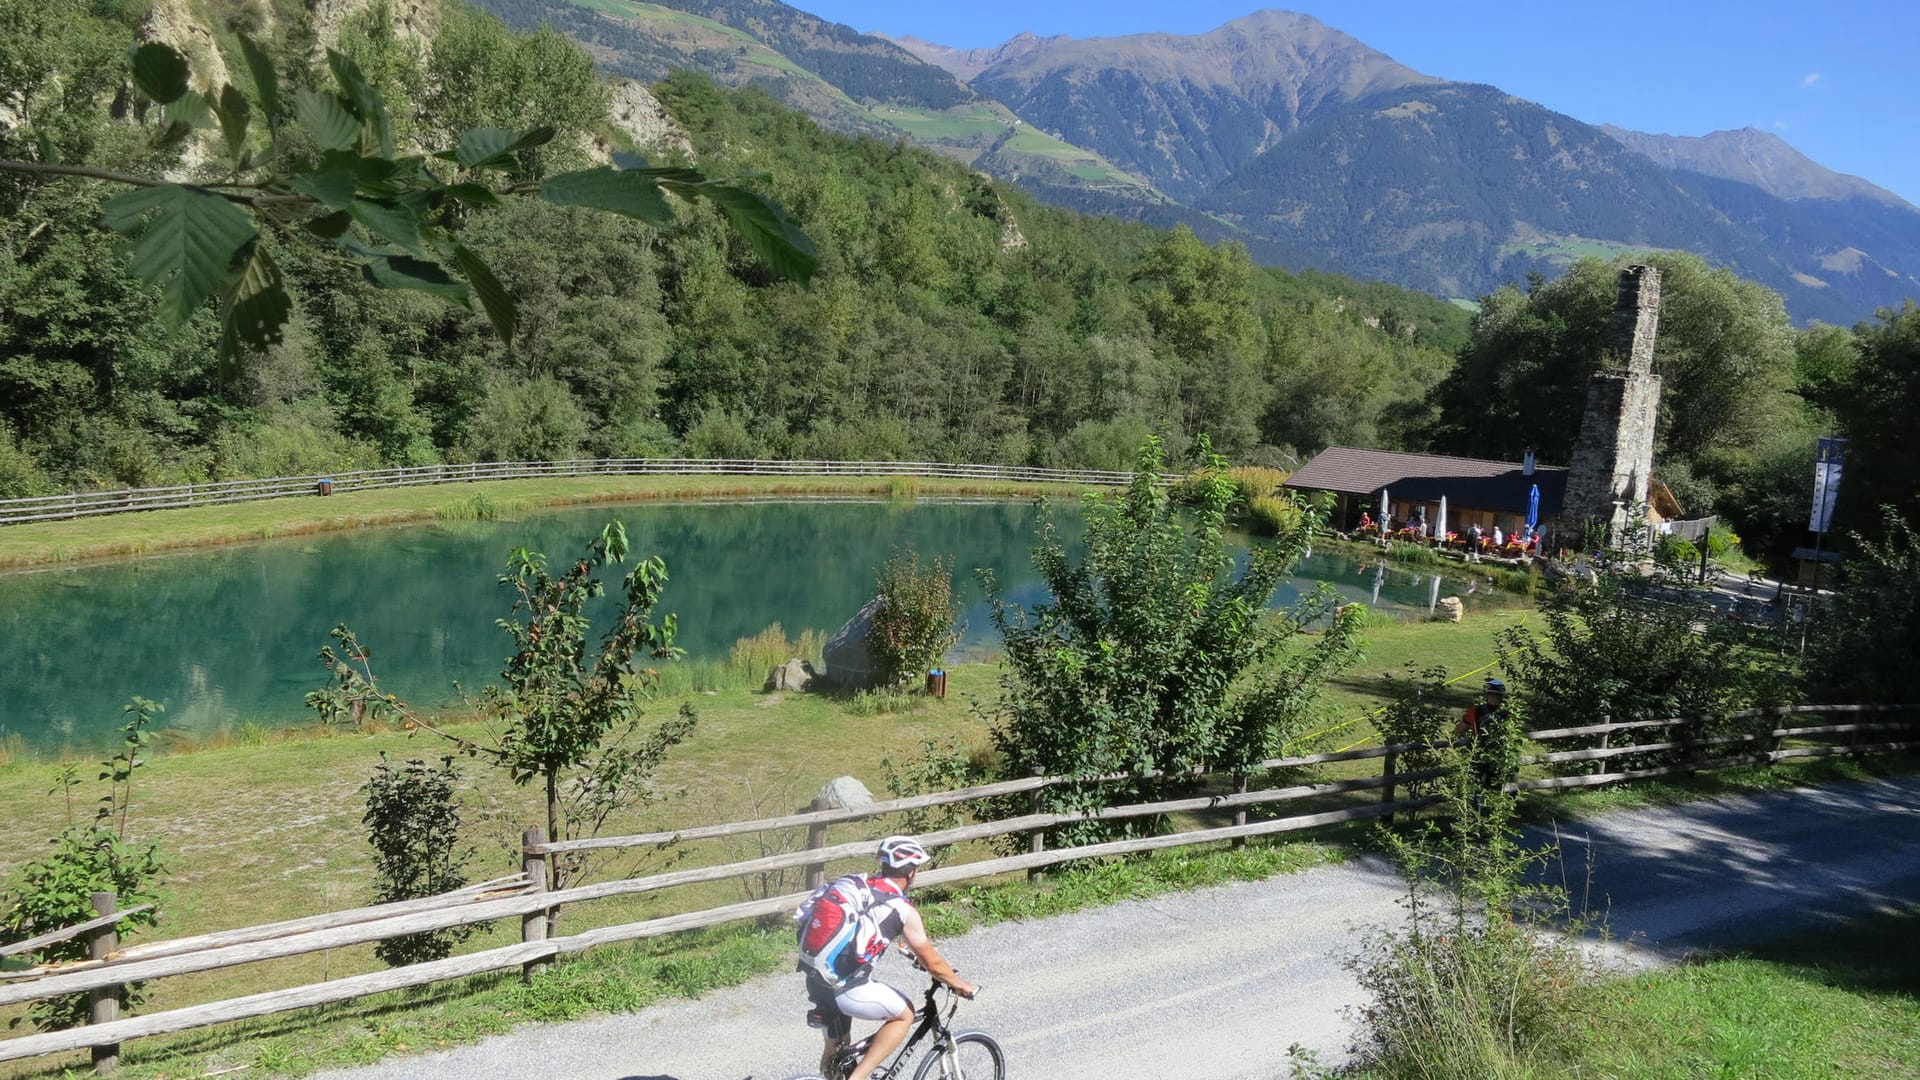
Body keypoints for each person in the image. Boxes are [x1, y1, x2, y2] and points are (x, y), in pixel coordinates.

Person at [802, 836, 977, 1080]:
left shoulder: (857, 885)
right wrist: (960, 984)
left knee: (838, 1056)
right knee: (904, 1014)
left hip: (816, 977)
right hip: (846, 988)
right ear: (912, 871)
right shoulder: (902, 909)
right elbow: (932, 962)